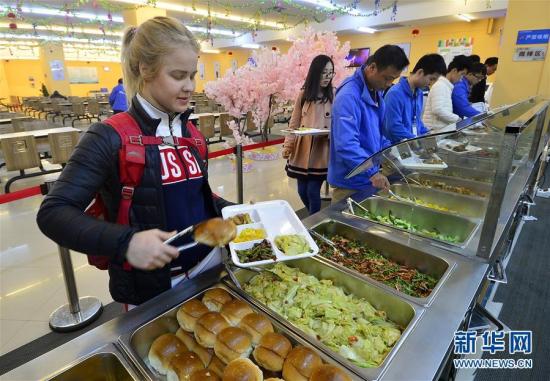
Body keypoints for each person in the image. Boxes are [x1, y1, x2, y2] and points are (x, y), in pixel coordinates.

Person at [37, 17, 232, 307]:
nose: (190, 86)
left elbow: (193, 195)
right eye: (178, 75)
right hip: (155, 289)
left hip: (212, 266)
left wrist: (232, 211)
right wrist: (126, 242)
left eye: (193, 75)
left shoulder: (190, 132)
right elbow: (53, 212)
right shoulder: (109, 136)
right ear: (145, 69)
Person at [328, 45, 409, 203]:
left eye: (393, 79)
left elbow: (376, 135)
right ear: (372, 68)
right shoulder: (349, 96)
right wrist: (372, 172)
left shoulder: (376, 92)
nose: (389, 84)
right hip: (350, 182)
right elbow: (346, 144)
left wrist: (394, 152)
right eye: (387, 78)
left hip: (366, 177)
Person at [282, 55, 334, 215]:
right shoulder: (304, 94)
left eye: (331, 72)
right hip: (302, 150)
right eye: (324, 72)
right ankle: (315, 217)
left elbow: (340, 123)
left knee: (312, 190)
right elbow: (294, 123)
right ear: (315, 72)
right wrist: (288, 146)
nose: (328, 77)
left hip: (322, 151)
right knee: (301, 191)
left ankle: (314, 221)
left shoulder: (334, 94)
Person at [383, 53, 446, 143]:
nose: (431, 83)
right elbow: (393, 127)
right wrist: (417, 139)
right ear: (420, 72)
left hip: (411, 144)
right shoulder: (395, 94)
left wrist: (428, 133)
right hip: (396, 147)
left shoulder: (419, 93)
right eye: (431, 79)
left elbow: (416, 121)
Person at [423, 55, 471, 131]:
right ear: (454, 71)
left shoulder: (446, 86)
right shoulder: (441, 85)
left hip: (438, 130)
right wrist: (458, 119)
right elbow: (438, 109)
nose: (461, 79)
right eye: (462, 74)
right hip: (433, 131)